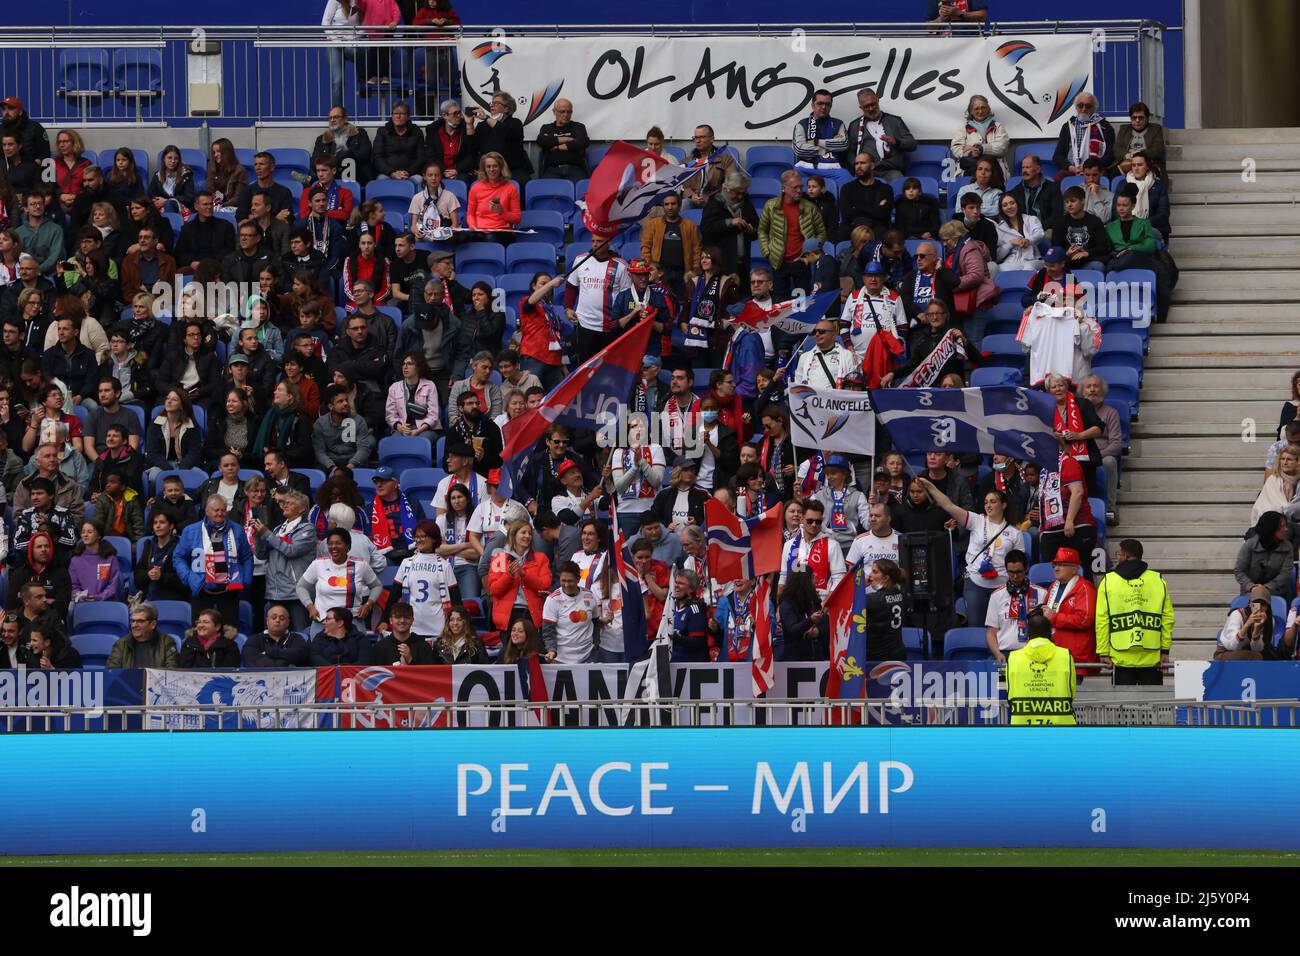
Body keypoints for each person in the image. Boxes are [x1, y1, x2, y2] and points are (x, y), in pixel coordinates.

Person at [1093, 538, 1174, 682]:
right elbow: (1167, 618)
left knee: (1124, 704)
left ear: (1124, 556)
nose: (1117, 557)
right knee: (1152, 704)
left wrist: (1104, 651)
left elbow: (1102, 619)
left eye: (1118, 553)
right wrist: (1165, 650)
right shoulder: (1158, 580)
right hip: (1151, 656)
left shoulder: (1108, 581)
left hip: (1120, 657)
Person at [174, 493, 255, 627]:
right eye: (216, 510)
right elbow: (179, 557)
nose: (220, 513)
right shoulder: (191, 531)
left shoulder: (237, 530)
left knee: (229, 632)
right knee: (201, 630)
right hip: (201, 588)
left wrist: (246, 579)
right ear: (207, 511)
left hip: (230, 590)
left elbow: (246, 557)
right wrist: (188, 577)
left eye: (223, 510)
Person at [756, 170, 826, 301]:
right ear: (784, 188)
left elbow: (821, 232)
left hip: (802, 262)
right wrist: (768, 252)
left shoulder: (810, 208)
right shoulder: (771, 206)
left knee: (801, 304)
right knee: (779, 303)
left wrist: (812, 251)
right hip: (779, 261)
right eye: (795, 187)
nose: (799, 190)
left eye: (801, 186)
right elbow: (762, 231)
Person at [297, 528, 382, 634]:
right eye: (330, 544)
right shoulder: (318, 564)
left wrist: (368, 605)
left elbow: (377, 586)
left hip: (353, 621)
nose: (333, 547)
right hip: (322, 621)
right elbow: (301, 587)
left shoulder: (360, 565)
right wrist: (310, 607)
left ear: (348, 546)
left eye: (338, 543)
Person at [254, 490, 316, 633]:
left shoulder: (307, 529)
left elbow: (291, 550)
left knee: (301, 634)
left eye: (290, 503)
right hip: (274, 591)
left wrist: (266, 533)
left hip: (296, 593)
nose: (285, 506)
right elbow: (261, 554)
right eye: (284, 503)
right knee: (272, 634)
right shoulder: (277, 529)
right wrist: (258, 535)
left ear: (301, 509)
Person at [564, 235, 631, 362]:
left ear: (609, 242)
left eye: (599, 241)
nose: (595, 244)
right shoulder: (580, 260)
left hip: (610, 325)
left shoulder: (621, 265)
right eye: (593, 241)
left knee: (608, 367)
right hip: (584, 324)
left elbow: (626, 296)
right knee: (585, 367)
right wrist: (568, 308)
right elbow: (571, 286)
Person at [1006, 614, 1077, 725]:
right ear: (1050, 633)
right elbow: (1071, 692)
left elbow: (1010, 695)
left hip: (1022, 726)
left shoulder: (1013, 658)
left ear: (1028, 634)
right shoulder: (1065, 655)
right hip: (1062, 726)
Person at [1037, 546, 1098, 673]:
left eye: (1062, 564)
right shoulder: (1053, 587)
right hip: (1055, 655)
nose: (1056, 568)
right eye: (1055, 565)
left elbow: (1084, 619)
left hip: (1077, 659)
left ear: (1075, 568)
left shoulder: (1084, 588)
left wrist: (1054, 617)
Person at [487, 519, 553, 635]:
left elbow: (545, 586)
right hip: (508, 616)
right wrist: (509, 576)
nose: (527, 536)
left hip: (531, 615)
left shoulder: (540, 558)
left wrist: (524, 575)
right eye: (523, 532)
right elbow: (494, 590)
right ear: (513, 534)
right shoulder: (500, 558)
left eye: (529, 533)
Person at [779, 499, 847, 602]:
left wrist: (825, 605)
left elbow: (839, 579)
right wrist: (780, 605)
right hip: (794, 603)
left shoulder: (833, 545)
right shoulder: (789, 545)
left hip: (820, 602)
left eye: (818, 521)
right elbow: (783, 578)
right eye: (810, 521)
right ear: (802, 519)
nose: (814, 525)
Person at [843, 88, 916, 182]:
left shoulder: (894, 121)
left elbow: (912, 144)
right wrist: (857, 165)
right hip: (866, 171)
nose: (871, 108)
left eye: (873, 104)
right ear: (860, 107)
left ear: (878, 100)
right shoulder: (855, 126)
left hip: (890, 170)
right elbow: (849, 152)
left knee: (898, 184)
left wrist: (897, 142)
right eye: (866, 106)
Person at [700, 172, 758, 279]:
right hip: (720, 264)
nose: (740, 196)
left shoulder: (747, 204)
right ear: (727, 189)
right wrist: (729, 222)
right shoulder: (714, 204)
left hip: (742, 264)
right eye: (737, 193)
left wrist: (752, 231)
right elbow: (707, 229)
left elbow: (755, 228)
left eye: (743, 193)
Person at [467, 91, 533, 184]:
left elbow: (504, 131)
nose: (492, 106)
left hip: (512, 170)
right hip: (489, 170)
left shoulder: (515, 123)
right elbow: (472, 146)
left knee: (521, 183)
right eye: (491, 103)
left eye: (496, 103)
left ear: (506, 109)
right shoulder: (483, 125)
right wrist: (469, 124)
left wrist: (486, 118)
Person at [541, 561, 598, 663]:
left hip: (587, 657)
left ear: (578, 579)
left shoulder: (589, 595)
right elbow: (548, 630)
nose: (566, 585)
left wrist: (596, 642)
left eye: (570, 581)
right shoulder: (553, 599)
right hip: (561, 659)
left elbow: (596, 622)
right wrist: (551, 650)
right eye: (563, 581)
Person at [792, 89, 851, 185]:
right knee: (794, 175)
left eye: (827, 104)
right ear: (813, 105)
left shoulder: (837, 124)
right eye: (820, 103)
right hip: (806, 167)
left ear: (831, 106)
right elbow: (799, 149)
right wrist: (827, 148)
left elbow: (843, 144)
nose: (823, 107)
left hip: (832, 167)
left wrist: (815, 142)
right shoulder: (802, 124)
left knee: (846, 175)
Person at [1054, 91, 1116, 179]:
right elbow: (1058, 156)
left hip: (1095, 171)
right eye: (1080, 105)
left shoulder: (1105, 127)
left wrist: (1092, 168)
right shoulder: (1068, 126)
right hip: (1073, 169)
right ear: (1076, 107)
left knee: (1105, 177)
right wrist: (1071, 168)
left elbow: (1110, 155)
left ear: (1094, 108)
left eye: (1088, 106)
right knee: (1058, 178)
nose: (1083, 109)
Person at [132, 511, 189, 603]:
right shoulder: (148, 546)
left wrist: (162, 576)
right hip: (149, 600)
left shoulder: (180, 547)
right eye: (155, 523)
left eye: (162, 522)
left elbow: (184, 581)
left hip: (174, 600)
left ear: (171, 526)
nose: (158, 526)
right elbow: (137, 577)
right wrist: (148, 574)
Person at [1235, 511, 1293, 597]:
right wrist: (1252, 587)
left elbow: (1285, 573)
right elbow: (1239, 571)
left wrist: (1267, 587)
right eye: (1282, 526)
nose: (1286, 529)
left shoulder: (1287, 547)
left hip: (1277, 591)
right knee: (1254, 604)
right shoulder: (1249, 545)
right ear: (1271, 529)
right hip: (1252, 591)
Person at [106, 602, 180, 669]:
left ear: (153, 624)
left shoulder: (166, 643)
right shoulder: (121, 644)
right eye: (133, 621)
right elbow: (111, 672)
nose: (134, 625)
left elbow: (171, 672)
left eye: (140, 621)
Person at [310, 106, 373, 184]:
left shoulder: (359, 134)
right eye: (330, 118)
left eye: (336, 117)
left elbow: (365, 153)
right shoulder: (321, 139)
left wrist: (344, 158)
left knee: (346, 154)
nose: (332, 120)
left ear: (345, 119)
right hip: (331, 175)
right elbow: (313, 162)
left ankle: (310, 180)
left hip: (355, 173)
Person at [535, 99, 590, 182]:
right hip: (552, 170)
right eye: (562, 111)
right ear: (554, 112)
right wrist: (567, 139)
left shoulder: (578, 126)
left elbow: (583, 142)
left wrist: (557, 147)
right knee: (547, 191)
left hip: (575, 169)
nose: (566, 115)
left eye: (569, 112)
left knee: (584, 190)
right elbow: (542, 141)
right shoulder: (547, 128)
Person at [241, 603, 311, 667]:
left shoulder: (297, 639)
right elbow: (252, 661)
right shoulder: (253, 640)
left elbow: (300, 657)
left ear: (288, 622)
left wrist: (270, 653)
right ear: (267, 621)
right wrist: (285, 663)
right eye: (274, 617)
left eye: (282, 618)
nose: (277, 620)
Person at [425, 101, 476, 182]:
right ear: (445, 115)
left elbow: (471, 155)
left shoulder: (464, 129)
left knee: (464, 179)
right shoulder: (433, 131)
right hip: (440, 171)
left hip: (460, 171)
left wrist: (457, 170)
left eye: (459, 113)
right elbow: (430, 157)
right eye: (455, 113)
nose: (459, 116)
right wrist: (443, 171)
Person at [1112, 101, 1166, 179]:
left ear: (1147, 118)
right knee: (1110, 173)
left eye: (1141, 117)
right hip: (1127, 162)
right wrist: (1126, 155)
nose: (1137, 120)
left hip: (1148, 162)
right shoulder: (1124, 129)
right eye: (1134, 117)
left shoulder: (1156, 129)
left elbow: (1158, 149)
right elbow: (1117, 148)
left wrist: (1139, 155)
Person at [372, 601, 436, 665]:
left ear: (412, 620)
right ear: (390, 620)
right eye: (398, 617)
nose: (402, 620)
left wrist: (410, 660)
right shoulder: (380, 647)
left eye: (406, 617)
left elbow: (430, 673)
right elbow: (375, 673)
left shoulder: (423, 646)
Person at [995, 192, 1045, 273]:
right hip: (1012, 262)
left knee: (1028, 268)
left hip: (1032, 260)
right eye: (1005, 205)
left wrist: (1028, 240)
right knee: (999, 269)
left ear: (1017, 204)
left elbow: (1040, 234)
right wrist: (1010, 243)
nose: (1009, 207)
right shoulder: (999, 228)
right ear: (1002, 209)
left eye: (1012, 203)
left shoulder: (1031, 219)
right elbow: (998, 257)